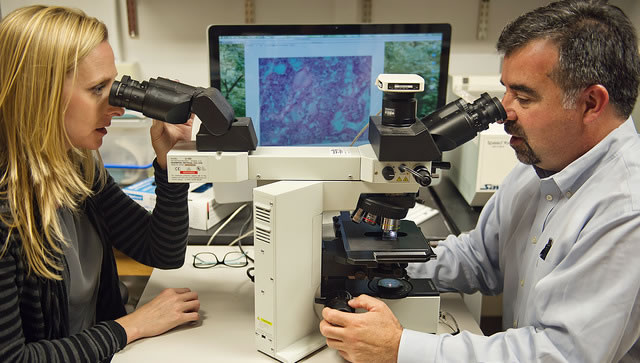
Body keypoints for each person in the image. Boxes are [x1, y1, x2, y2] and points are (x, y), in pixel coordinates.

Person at [319, 0, 640, 362]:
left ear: (591, 103)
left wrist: (399, 347)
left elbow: (561, 354)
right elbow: (480, 258)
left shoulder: (625, 211)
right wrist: (368, 263)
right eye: (505, 91)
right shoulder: (544, 161)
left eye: (523, 96)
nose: (504, 112)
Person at [0, 5, 200, 362]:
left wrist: (172, 166)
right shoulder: (6, 212)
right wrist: (131, 326)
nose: (118, 107)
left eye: (115, 86)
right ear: (39, 95)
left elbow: (162, 252)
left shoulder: (76, 168)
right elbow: (15, 358)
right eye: (97, 89)